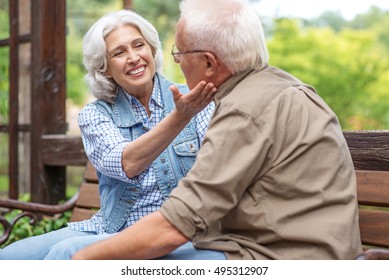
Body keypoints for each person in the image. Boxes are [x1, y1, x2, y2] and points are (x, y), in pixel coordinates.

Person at [72, 0, 363, 260]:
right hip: (311, 249)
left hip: (280, 257)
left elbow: (178, 225)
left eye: (180, 53)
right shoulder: (282, 86)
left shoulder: (242, 111)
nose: (176, 61)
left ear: (209, 63)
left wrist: (83, 262)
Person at [0, 9, 216, 260]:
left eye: (139, 45)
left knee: (65, 254)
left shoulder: (194, 99)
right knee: (10, 257)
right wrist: (179, 118)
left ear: (152, 50)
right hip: (112, 230)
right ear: (105, 68)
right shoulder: (95, 114)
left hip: (173, 231)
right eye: (119, 52)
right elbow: (128, 163)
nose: (134, 57)